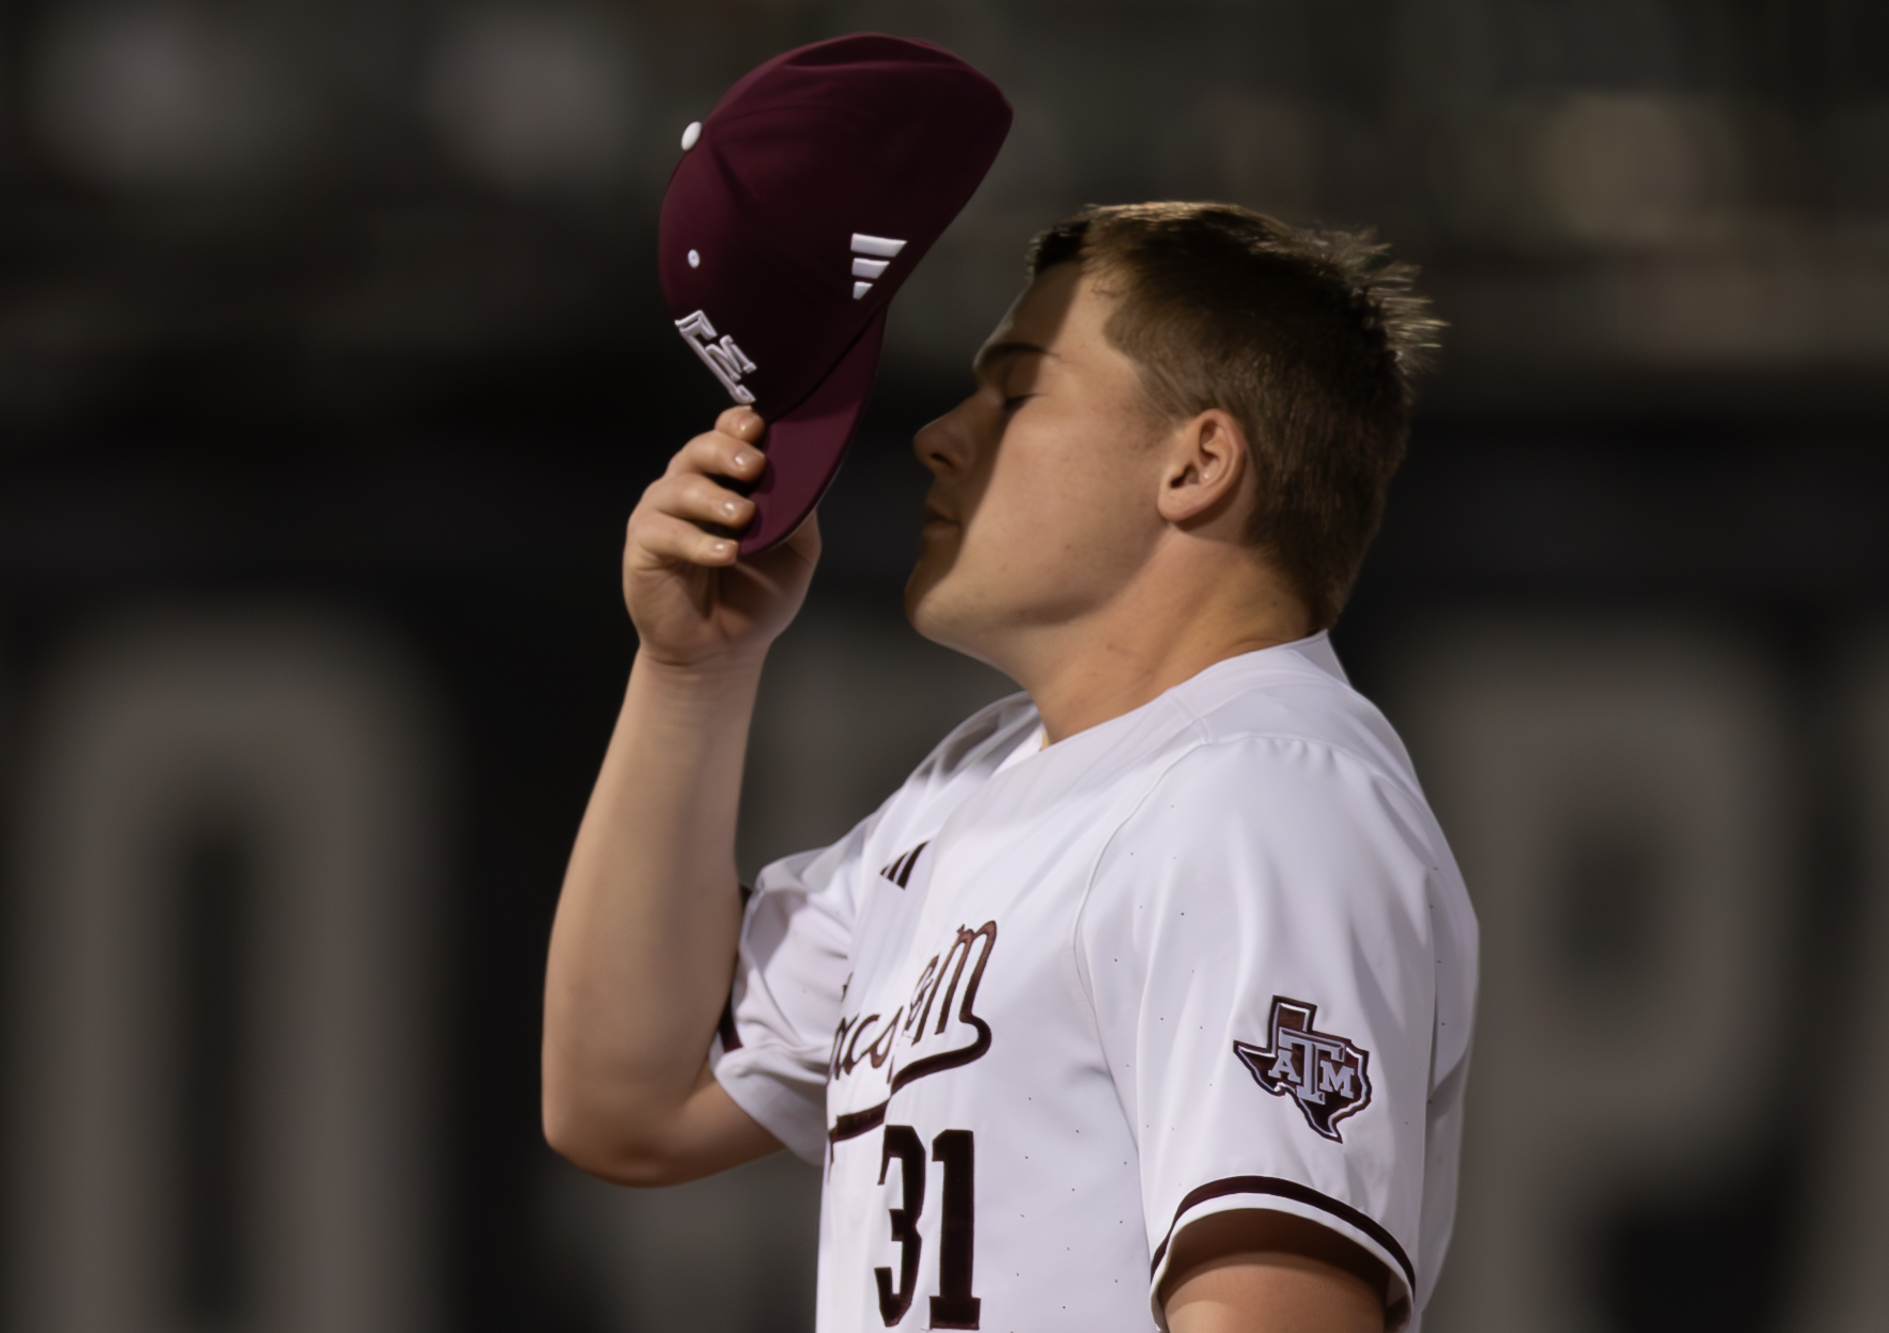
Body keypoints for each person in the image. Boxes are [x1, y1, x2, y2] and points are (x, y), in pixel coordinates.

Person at [542, 201, 1477, 1333]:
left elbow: (1274, 1313)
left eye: (1017, 390)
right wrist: (691, 671)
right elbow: (628, 1101)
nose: (940, 432)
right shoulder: (972, 785)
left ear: (1197, 462)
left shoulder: (1259, 793)